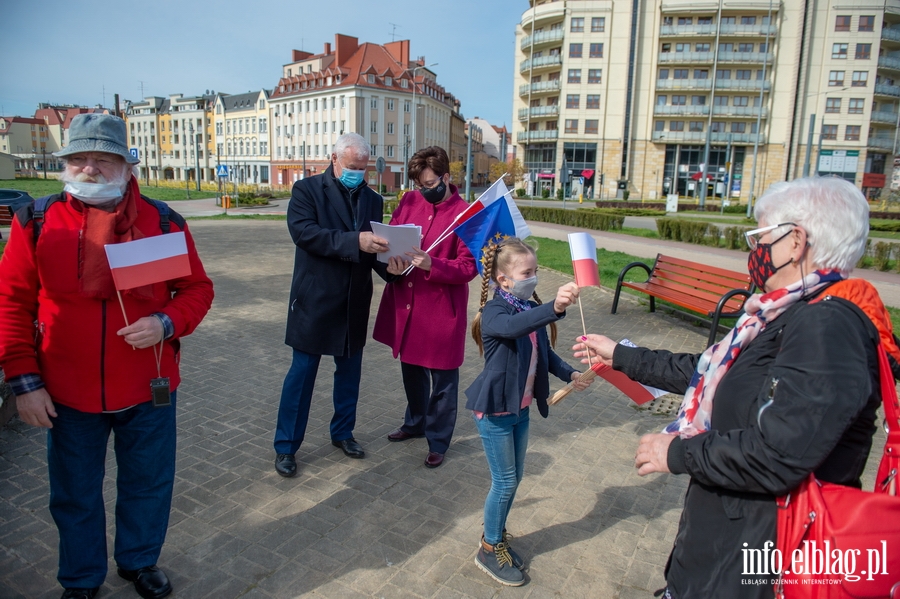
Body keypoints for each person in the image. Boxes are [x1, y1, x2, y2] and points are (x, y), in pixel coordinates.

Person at [574, 176, 889, 598]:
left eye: (759, 237)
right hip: (728, 546)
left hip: (757, 561)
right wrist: (625, 357)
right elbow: (720, 376)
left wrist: (679, 452)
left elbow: (779, 453)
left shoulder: (827, 327)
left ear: (795, 241)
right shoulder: (789, 311)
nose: (753, 251)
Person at [0, 113, 214, 599]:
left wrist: (165, 322)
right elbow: (11, 302)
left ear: (127, 166)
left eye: (103, 159)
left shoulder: (162, 222)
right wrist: (24, 382)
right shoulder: (36, 221)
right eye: (79, 158)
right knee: (74, 494)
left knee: (148, 483)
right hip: (66, 393)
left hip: (148, 388)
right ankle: (80, 578)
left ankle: (138, 561)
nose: (90, 169)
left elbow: (196, 289)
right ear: (65, 163)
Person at [466, 237, 592, 586]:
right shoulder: (497, 312)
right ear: (503, 279)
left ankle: (496, 534)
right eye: (527, 272)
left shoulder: (523, 307)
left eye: (536, 270)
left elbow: (544, 353)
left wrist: (571, 375)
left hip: (518, 410)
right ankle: (489, 548)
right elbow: (513, 329)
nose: (534, 277)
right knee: (504, 482)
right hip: (495, 411)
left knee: (514, 479)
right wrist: (555, 306)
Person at [274, 132, 393, 477]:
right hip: (315, 299)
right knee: (302, 375)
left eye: (364, 168)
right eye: (352, 167)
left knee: (350, 373)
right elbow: (306, 234)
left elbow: (375, 251)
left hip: (354, 300)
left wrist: (394, 269)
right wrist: (356, 240)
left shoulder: (372, 199)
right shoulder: (307, 191)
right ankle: (286, 446)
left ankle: (343, 432)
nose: (359, 173)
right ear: (334, 159)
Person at [373, 146, 478, 468]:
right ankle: (415, 422)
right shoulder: (408, 201)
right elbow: (391, 234)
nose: (424, 191)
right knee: (412, 371)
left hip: (441, 312)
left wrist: (433, 263)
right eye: (420, 185)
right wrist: (388, 257)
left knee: (443, 382)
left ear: (446, 177)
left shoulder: (467, 213)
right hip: (407, 306)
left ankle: (438, 440)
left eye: (431, 185)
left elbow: (469, 267)